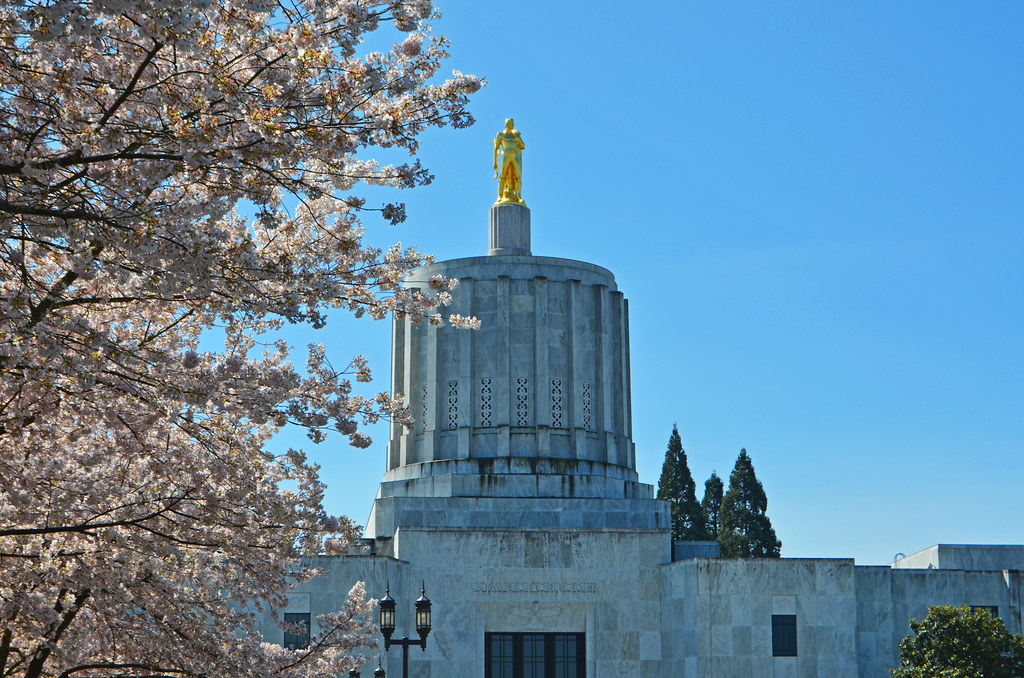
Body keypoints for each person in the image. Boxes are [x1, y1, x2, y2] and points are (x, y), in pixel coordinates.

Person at [493, 118, 525, 204]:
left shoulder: (515, 135)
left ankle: (518, 196)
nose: (513, 125)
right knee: (502, 176)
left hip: (514, 155)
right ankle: (500, 196)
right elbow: (496, 148)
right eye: (511, 123)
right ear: (507, 124)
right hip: (506, 154)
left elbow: (523, 145)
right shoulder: (501, 135)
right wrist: (495, 162)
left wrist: (518, 139)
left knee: (517, 176)